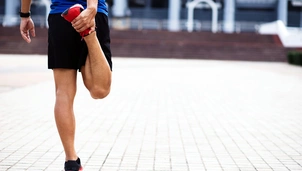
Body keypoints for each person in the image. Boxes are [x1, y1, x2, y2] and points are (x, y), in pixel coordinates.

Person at [19, 0, 112, 170]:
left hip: (60, 17)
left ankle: (71, 161)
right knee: (100, 90)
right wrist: (91, 7)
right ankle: (88, 33)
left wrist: (25, 14)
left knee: (63, 92)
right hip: (92, 12)